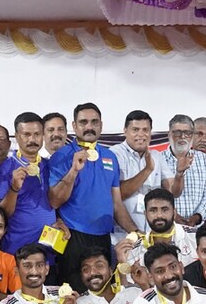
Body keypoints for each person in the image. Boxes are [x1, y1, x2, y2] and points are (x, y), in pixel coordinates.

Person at [48, 103, 139, 290]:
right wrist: (73, 170)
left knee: (104, 294)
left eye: (94, 122)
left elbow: (117, 204)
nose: (89, 127)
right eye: (83, 122)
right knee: (74, 295)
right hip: (73, 237)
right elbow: (54, 201)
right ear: (74, 126)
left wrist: (137, 232)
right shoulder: (61, 156)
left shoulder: (110, 157)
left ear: (101, 125)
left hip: (103, 238)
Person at [0, 112, 66, 256]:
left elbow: (54, 203)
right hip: (18, 252)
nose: (32, 139)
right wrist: (14, 189)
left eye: (37, 134)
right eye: (26, 134)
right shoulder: (5, 169)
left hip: (47, 251)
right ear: (17, 136)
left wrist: (59, 220)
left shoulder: (49, 165)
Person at [112, 110, 178, 233]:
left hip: (154, 230)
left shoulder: (156, 156)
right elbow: (118, 193)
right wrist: (147, 170)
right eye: (135, 130)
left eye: (145, 130)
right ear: (125, 131)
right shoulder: (115, 154)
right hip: (124, 231)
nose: (141, 134)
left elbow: (172, 191)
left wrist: (180, 173)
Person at [161, 114, 206, 229]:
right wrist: (172, 215)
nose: (182, 137)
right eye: (177, 132)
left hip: (197, 229)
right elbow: (154, 195)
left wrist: (197, 217)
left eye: (187, 133)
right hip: (166, 227)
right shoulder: (158, 160)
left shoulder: (204, 160)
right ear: (169, 135)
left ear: (192, 135)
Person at [125, 188, 198, 270]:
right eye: (153, 210)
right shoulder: (134, 250)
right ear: (145, 214)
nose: (159, 215)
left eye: (164, 210)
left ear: (174, 213)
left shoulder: (195, 238)